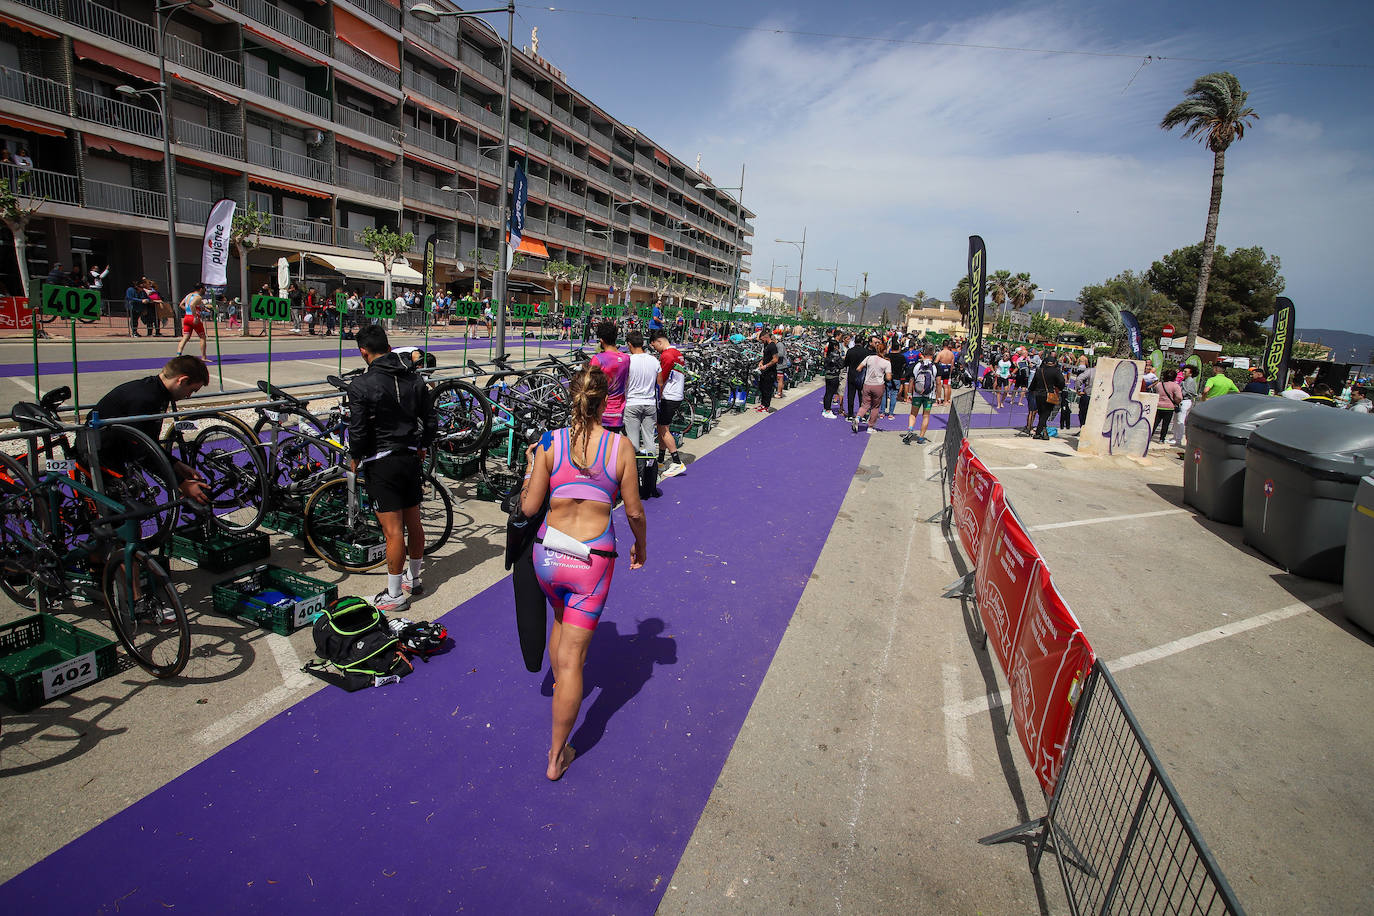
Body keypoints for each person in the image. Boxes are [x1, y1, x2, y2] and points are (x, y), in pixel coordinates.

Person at [519, 364, 646, 781]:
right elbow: (633, 510)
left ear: (570, 397)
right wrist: (640, 545)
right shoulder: (620, 447)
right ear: (606, 401)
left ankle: (561, 689)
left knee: (560, 619)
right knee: (573, 658)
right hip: (590, 564)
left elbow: (528, 507)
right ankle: (557, 756)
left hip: (548, 557)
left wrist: (529, 469)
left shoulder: (550, 444)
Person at [346, 325, 437, 612]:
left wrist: (354, 456)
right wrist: (422, 444)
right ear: (388, 346)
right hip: (410, 456)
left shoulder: (360, 385)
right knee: (414, 521)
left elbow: (358, 430)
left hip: (380, 461)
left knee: (393, 531)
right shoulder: (414, 380)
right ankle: (414, 578)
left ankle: (395, 595)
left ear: (364, 351)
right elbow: (431, 418)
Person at [91, 356, 211, 507]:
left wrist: (177, 464)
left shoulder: (155, 390)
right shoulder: (146, 399)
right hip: (99, 456)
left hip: (115, 452)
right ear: (182, 380)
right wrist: (180, 483)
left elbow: (149, 443)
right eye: (192, 390)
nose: (188, 396)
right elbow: (142, 451)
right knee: (118, 518)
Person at [622, 332, 660, 495]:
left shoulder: (628, 360)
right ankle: (651, 480)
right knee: (650, 440)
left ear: (630, 344)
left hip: (632, 403)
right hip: (650, 403)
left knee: (633, 443)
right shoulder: (654, 360)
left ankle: (635, 480)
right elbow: (660, 383)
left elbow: (624, 382)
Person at [649, 331, 686, 477]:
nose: (655, 350)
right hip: (676, 394)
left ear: (659, 341)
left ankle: (677, 462)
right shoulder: (677, 353)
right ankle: (660, 460)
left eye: (654, 346)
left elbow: (661, 380)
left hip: (669, 396)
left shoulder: (666, 355)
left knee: (663, 429)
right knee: (662, 428)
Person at [589, 321, 630, 433]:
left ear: (601, 340)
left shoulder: (598, 359)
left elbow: (591, 384)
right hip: (619, 411)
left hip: (602, 411)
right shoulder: (626, 358)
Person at [853, 340, 891, 434]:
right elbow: (888, 377)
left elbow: (858, 368)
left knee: (865, 404)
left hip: (867, 384)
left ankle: (858, 418)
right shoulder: (886, 363)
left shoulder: (869, 358)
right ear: (885, 351)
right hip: (878, 385)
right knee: (875, 407)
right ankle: (870, 427)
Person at [903, 345, 937, 444]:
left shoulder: (917, 365)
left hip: (917, 394)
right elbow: (938, 382)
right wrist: (938, 397)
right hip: (929, 395)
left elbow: (911, 380)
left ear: (923, 352)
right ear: (933, 353)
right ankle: (921, 438)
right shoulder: (934, 367)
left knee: (913, 414)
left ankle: (910, 429)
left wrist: (909, 393)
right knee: (926, 416)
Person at [1028, 351, 1066, 440]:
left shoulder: (1039, 370)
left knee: (1041, 414)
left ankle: (1044, 433)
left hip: (1038, 394)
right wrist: (1058, 388)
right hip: (1049, 394)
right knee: (1046, 414)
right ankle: (1038, 433)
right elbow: (1061, 382)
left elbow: (1033, 384)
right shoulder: (1056, 371)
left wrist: (1032, 391)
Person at [175, 283, 210, 361]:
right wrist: (195, 316)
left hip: (187, 317)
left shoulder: (189, 295)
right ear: (201, 289)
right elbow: (192, 305)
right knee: (202, 337)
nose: (205, 291)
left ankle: (178, 354)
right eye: (204, 289)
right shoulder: (198, 297)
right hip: (193, 318)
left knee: (185, 337)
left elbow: (181, 305)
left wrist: (190, 311)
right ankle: (203, 357)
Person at [843, 334, 872, 420]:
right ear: (862, 342)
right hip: (862, 375)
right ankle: (861, 414)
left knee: (851, 395)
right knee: (862, 396)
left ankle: (850, 414)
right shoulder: (866, 352)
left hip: (852, 374)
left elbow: (846, 363)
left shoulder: (850, 351)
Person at [1153, 369, 1184, 442]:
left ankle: (1149, 436)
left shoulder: (1159, 384)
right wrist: (1176, 402)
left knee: (1155, 423)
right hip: (1169, 407)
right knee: (1165, 424)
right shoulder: (1175, 386)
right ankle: (1161, 439)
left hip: (1158, 406)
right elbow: (1179, 397)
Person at [821, 328, 845, 418]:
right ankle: (828, 410)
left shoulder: (828, 355)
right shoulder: (836, 355)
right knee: (831, 393)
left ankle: (825, 409)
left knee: (827, 392)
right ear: (836, 346)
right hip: (834, 375)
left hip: (827, 375)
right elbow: (841, 365)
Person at [757, 328, 779, 412]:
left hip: (770, 371)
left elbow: (775, 359)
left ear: (765, 337)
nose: (761, 341)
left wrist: (766, 366)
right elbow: (765, 356)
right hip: (764, 370)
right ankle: (762, 404)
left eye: (762, 339)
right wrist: (761, 362)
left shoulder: (772, 346)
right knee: (762, 387)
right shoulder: (766, 345)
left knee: (767, 389)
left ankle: (766, 406)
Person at [934, 340, 955, 406]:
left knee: (938, 385)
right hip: (948, 369)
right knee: (946, 386)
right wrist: (950, 372)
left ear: (942, 345)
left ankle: (938, 400)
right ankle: (945, 401)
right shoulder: (951, 354)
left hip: (941, 369)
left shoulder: (940, 353)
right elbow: (952, 364)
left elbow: (936, 362)